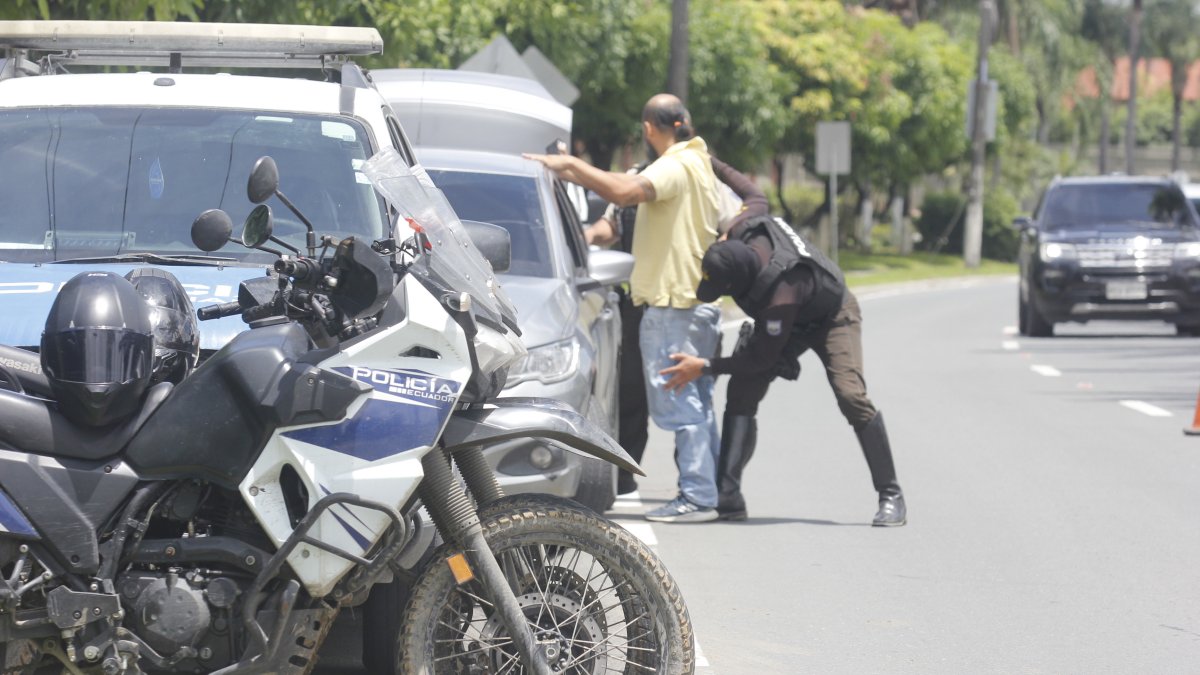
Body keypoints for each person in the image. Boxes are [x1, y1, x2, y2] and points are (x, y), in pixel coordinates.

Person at [526, 93, 723, 522]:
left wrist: (572, 167)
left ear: (650, 128)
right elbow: (616, 212)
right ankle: (706, 491)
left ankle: (698, 497)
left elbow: (628, 191)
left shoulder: (676, 164)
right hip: (694, 304)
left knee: (683, 407)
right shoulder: (699, 163)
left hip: (674, 305)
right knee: (697, 406)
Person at [660, 215, 907, 526]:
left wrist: (706, 367)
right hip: (788, 323)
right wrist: (713, 165)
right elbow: (753, 195)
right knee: (742, 391)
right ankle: (729, 496)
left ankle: (891, 495)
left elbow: (761, 358)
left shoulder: (780, 295)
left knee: (851, 395)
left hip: (832, 317)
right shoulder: (745, 231)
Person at [586, 156, 768, 497]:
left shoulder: (701, 179)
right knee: (630, 392)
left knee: (687, 397)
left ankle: (702, 486)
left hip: (689, 304)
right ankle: (628, 473)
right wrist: (586, 237)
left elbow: (737, 222)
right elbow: (611, 225)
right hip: (641, 301)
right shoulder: (634, 178)